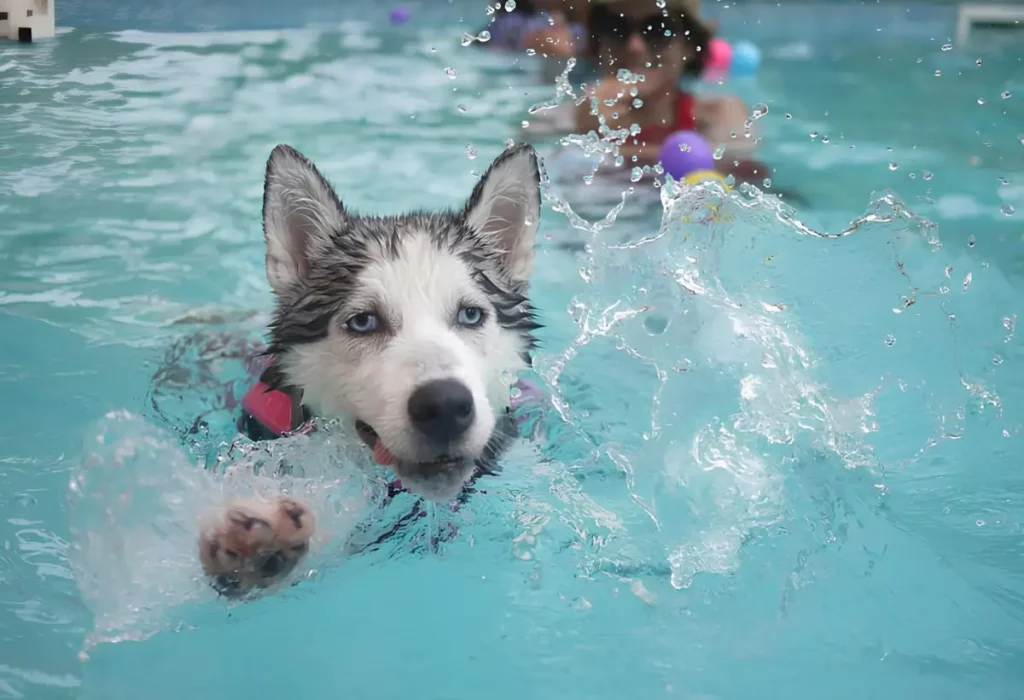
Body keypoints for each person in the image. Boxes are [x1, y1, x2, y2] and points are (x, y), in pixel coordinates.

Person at [573, 0, 767, 183]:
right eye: (616, 28)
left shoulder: (717, 114)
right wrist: (586, 129)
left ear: (689, 46)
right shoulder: (576, 115)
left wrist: (598, 151)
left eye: (657, 29)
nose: (634, 47)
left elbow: (745, 174)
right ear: (598, 44)